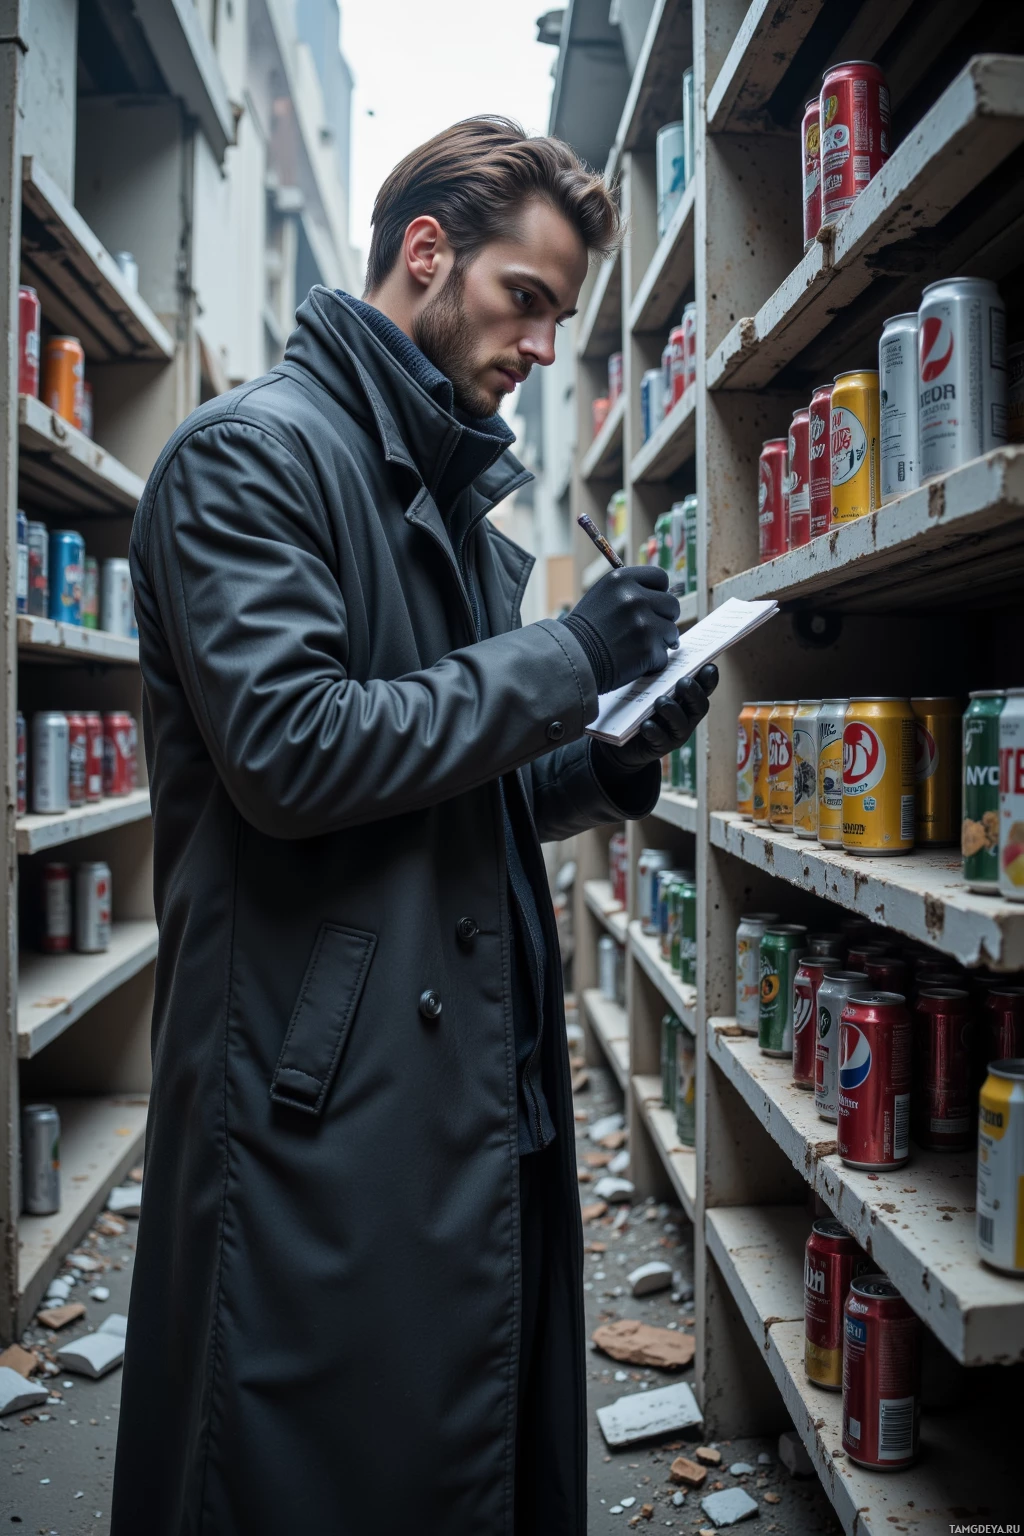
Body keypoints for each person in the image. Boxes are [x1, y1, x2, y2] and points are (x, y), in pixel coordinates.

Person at [111, 116, 717, 1535]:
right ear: (427, 252)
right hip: (323, 1107)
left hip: (447, 1093)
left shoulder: (432, 495)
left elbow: (444, 771)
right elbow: (296, 751)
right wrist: (566, 661)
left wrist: (601, 763)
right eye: (527, 298)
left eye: (561, 317)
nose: (542, 345)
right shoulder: (247, 462)